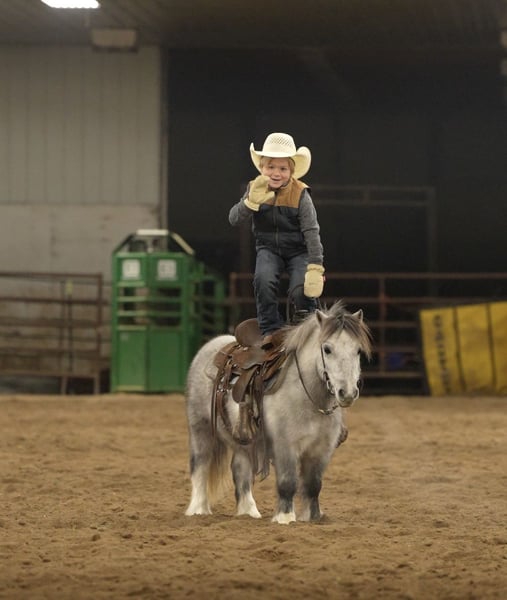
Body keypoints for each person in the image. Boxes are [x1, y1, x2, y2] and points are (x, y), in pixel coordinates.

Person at [229, 132, 325, 345]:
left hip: (298, 250)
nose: (276, 173)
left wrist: (316, 266)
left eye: (283, 168)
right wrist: (250, 202)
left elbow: (311, 231)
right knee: (263, 280)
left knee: (302, 289)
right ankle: (270, 329)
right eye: (270, 167)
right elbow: (234, 218)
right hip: (268, 248)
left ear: (291, 172)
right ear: (262, 168)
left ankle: (307, 327)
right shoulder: (254, 188)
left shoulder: (301, 194)